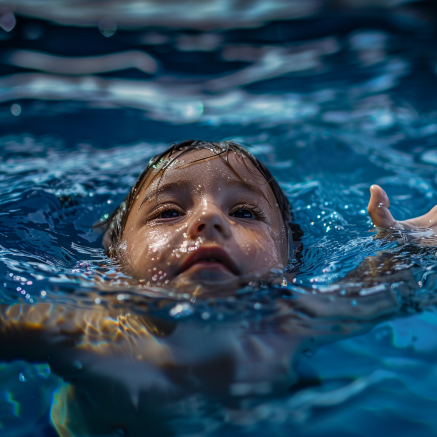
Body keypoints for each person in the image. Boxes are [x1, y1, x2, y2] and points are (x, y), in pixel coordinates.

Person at [0, 139, 435, 436]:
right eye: (168, 212)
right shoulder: (82, 331)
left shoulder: (295, 321)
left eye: (245, 212)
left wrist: (415, 246)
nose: (209, 220)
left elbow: (396, 281)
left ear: (290, 264)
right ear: (110, 262)